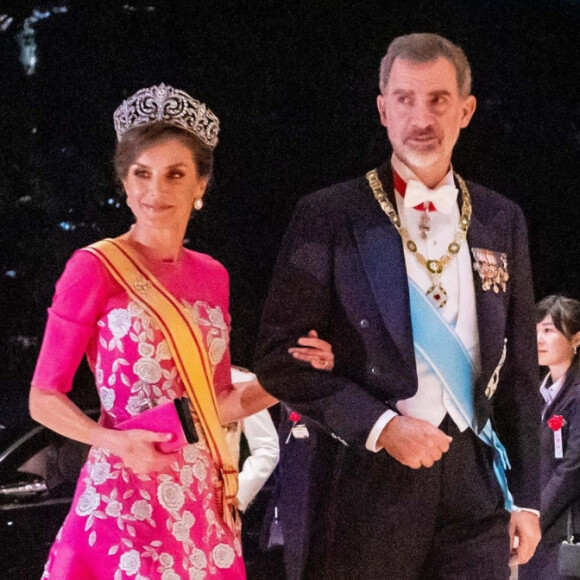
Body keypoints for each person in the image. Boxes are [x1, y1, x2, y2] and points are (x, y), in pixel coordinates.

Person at [254, 33, 542, 579]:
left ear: (466, 110)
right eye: (405, 99)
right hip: (367, 479)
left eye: (437, 99)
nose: (421, 117)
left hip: (475, 482)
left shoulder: (502, 220)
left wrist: (525, 498)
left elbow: (521, 372)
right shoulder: (330, 215)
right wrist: (381, 426)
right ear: (383, 110)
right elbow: (278, 358)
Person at [29, 84, 332, 579]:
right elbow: (43, 397)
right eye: (141, 174)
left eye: (175, 174)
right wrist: (113, 442)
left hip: (200, 499)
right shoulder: (94, 267)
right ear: (124, 183)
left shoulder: (213, 275)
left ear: (201, 185)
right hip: (122, 497)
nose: (155, 191)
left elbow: (218, 404)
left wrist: (294, 373)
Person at [519, 295, 580, 579]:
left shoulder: (577, 393)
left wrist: (536, 512)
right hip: (538, 527)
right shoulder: (537, 392)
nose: (539, 339)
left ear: (576, 339)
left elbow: (573, 466)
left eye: (549, 330)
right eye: (536, 330)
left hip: (565, 527)